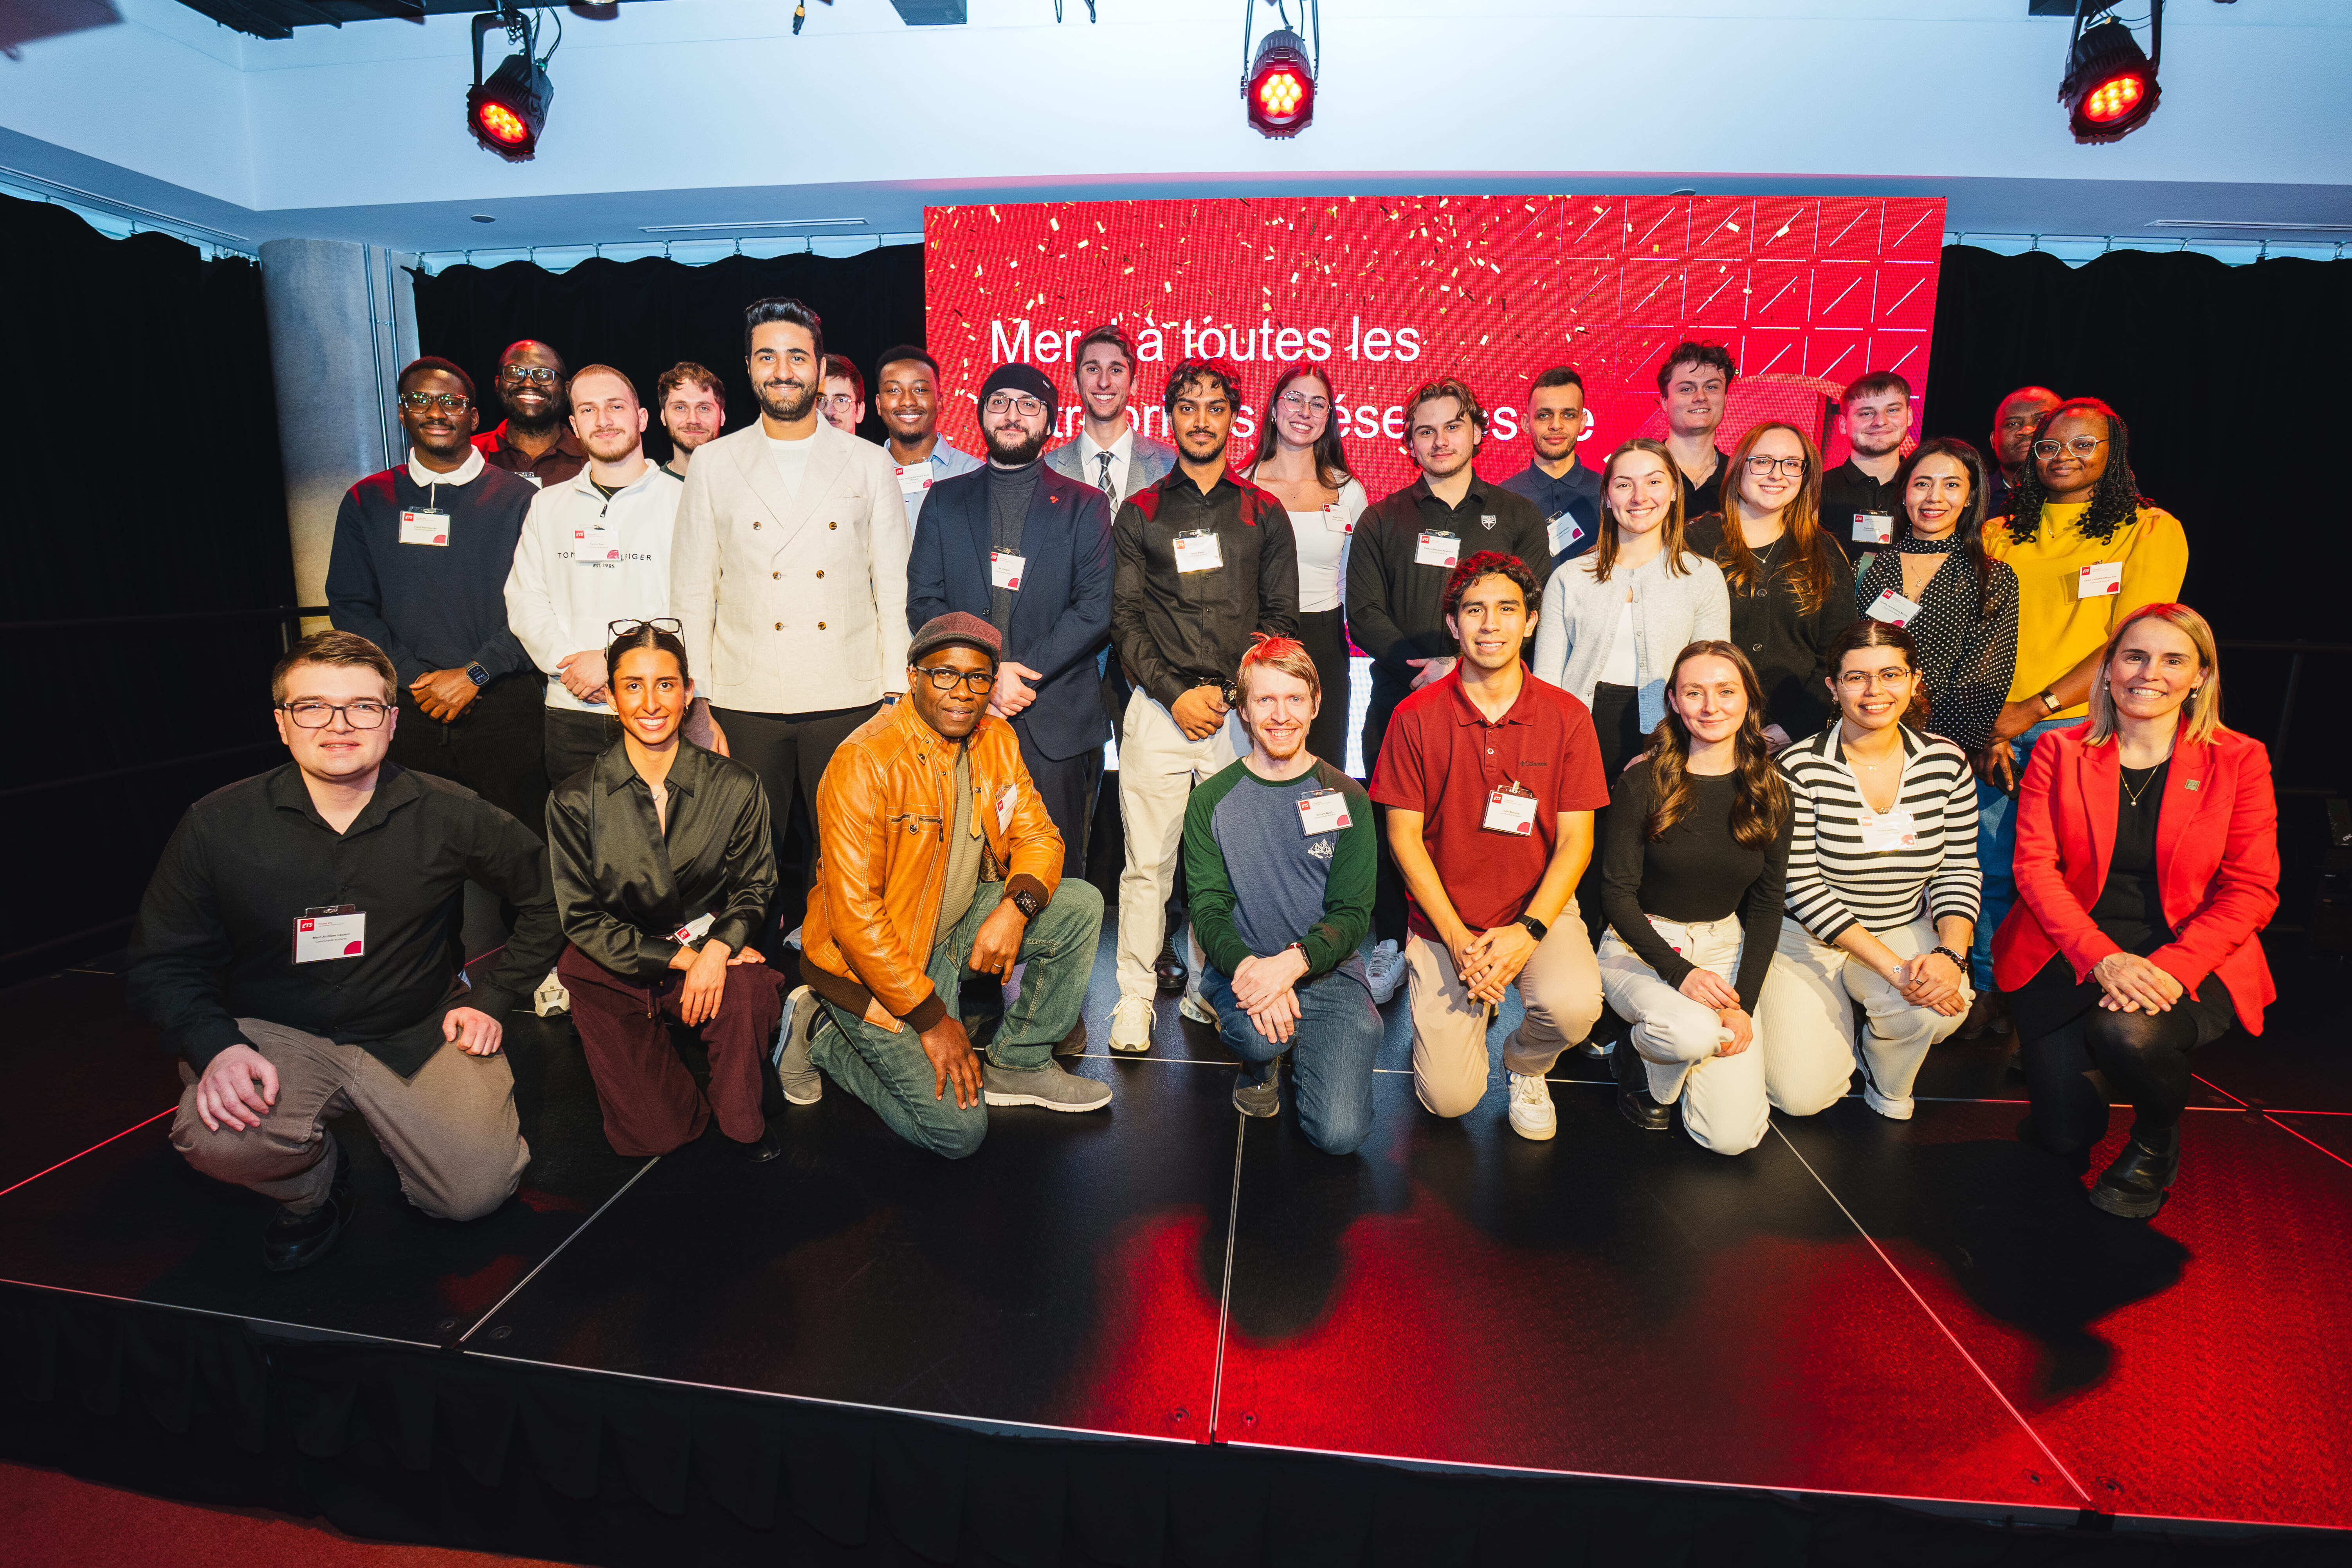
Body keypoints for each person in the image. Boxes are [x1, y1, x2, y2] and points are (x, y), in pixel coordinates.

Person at [126, 631, 561, 1270]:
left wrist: (496, 997)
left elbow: (547, 896)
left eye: (361, 706)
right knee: (215, 1137)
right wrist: (215, 1046)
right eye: (312, 707)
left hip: (418, 1028)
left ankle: (414, 1139)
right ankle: (312, 1188)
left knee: (473, 1195)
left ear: (390, 720)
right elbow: (161, 960)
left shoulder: (450, 813)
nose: (338, 724)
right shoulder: (217, 823)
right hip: (280, 1032)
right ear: (282, 722)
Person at [779, 613, 1112, 1155]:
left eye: (978, 678)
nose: (962, 692)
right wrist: (932, 1019)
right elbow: (856, 921)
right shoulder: (865, 760)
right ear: (913, 677)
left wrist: (1015, 907)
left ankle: (1019, 1062)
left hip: (951, 930)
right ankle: (820, 1034)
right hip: (870, 968)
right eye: (944, 674)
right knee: (957, 1132)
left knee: (1079, 902)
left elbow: (1041, 838)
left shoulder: (995, 738)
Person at [1996, 604, 2277, 1219]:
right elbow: (2035, 871)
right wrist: (2103, 961)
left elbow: (2252, 886)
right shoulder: (2058, 750)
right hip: (2069, 946)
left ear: (2200, 676)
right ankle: (2079, 1095)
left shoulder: (2239, 758)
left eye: (2173, 660)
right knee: (2065, 1135)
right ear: (2110, 668)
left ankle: (2154, 1138)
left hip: (2189, 948)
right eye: (2134, 656)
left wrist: (2174, 969)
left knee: (2127, 1030)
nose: (2150, 673)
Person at [670, 296, 913, 938]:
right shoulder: (715, 462)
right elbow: (693, 591)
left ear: (819, 366)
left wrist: (895, 694)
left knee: (850, 858)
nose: (783, 370)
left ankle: (832, 990)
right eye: (768, 357)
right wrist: (697, 704)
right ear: (749, 368)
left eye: (797, 357)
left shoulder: (865, 461)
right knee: (745, 860)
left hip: (850, 692)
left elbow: (893, 583)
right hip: (745, 696)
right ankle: (750, 987)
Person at [1371, 553, 1609, 1141]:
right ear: (1453, 624)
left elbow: (1577, 841)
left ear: (1530, 622)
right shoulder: (1414, 714)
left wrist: (1526, 932)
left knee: (1576, 1007)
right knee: (1450, 1100)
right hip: (1443, 921)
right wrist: (1456, 939)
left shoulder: (1568, 716)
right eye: (1474, 610)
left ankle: (1525, 1063)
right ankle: (1475, 998)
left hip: (1535, 912)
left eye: (1507, 609)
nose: (1490, 624)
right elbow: (1403, 835)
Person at [1968, 400, 2188, 1031]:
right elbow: (1977, 635)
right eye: (2047, 446)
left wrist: (2032, 709)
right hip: (1999, 728)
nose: (2062, 456)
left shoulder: (2147, 531)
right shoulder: (1997, 533)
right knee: (1988, 867)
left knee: (2065, 878)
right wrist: (1992, 719)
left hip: (2082, 729)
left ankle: (2050, 1001)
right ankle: (1990, 990)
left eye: (2081, 445)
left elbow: (2132, 642)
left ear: (2110, 454)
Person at [1106, 357, 1299, 1053]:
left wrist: (1225, 696)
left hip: (1237, 717)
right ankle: (1131, 997)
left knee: (1220, 867)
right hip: (1157, 711)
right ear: (1169, 417)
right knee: (1146, 866)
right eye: (1187, 407)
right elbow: (1123, 621)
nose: (1200, 420)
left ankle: (1202, 990)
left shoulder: (1263, 513)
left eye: (1214, 407)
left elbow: (1280, 619)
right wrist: (1174, 694)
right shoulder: (1141, 512)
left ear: (1232, 418)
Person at [1346, 377, 1552, 1000]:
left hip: (1494, 705)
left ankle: (1486, 935)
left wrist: (1460, 664)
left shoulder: (1515, 515)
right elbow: (1364, 614)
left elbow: (1532, 603)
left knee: (1482, 819)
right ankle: (1389, 941)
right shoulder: (1383, 517)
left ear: (1479, 432)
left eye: (1452, 425)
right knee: (1393, 823)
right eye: (1425, 429)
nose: (1439, 440)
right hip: (1400, 703)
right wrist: (1433, 664)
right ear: (1409, 442)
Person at [547, 622, 783, 1161]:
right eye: (632, 685)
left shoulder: (736, 785)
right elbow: (582, 918)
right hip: (616, 965)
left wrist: (718, 949)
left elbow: (754, 885)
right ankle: (660, 1058)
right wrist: (685, 959)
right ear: (610, 694)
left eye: (666, 685)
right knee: (657, 1136)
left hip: (709, 944)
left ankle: (740, 1107)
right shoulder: (573, 800)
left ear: (689, 692)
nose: (650, 702)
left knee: (747, 990)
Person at [1758, 621, 1978, 1123]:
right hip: (1806, 940)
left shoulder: (1946, 762)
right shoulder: (1797, 768)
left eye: (1891, 674)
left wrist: (1949, 955)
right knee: (1800, 1097)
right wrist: (1896, 971)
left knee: (1941, 1002)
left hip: (1901, 924)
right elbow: (1802, 887)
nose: (1875, 691)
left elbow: (1959, 869)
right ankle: (1852, 1021)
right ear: (1833, 687)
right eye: (1856, 677)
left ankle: (1887, 1072)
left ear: (1915, 680)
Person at [908, 362, 1115, 876]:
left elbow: (1094, 608)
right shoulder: (944, 500)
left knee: (1054, 874)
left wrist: (1014, 675)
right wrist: (986, 675)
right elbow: (923, 600)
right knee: (955, 872)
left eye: (1029, 404)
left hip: (1055, 720)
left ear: (1049, 420)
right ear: (980, 415)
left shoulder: (1085, 505)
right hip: (961, 711)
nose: (1013, 415)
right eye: (1000, 402)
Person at [326, 356, 544, 832]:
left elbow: (543, 604)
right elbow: (351, 606)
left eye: (451, 401)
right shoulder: (367, 500)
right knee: (418, 855)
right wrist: (416, 680)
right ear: (402, 413)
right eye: (420, 400)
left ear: (474, 416)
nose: (436, 411)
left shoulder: (523, 501)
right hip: (408, 710)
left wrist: (474, 674)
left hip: (504, 706)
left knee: (519, 853)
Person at [1184, 636, 1380, 1150]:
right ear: (1244, 711)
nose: (1281, 715)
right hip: (1243, 968)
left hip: (1328, 969)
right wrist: (1250, 968)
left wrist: (1292, 964)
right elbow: (1206, 907)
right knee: (1257, 1034)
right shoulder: (1210, 799)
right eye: (1265, 700)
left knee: (1340, 1136)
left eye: (1295, 699)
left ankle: (1307, 1043)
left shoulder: (1347, 797)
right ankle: (1261, 1063)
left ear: (1316, 703)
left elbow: (1353, 912)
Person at [1598, 642, 1792, 1154]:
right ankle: (1640, 1050)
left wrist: (1742, 1004)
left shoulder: (1771, 788)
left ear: (1749, 699)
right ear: (1674, 701)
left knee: (1729, 1139)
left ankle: (1668, 1055)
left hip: (1724, 945)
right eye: (1694, 692)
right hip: (1640, 944)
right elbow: (1616, 894)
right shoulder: (1642, 781)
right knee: (1687, 1032)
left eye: (1726, 691)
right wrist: (1679, 973)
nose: (1711, 706)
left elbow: (1769, 904)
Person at [504, 364, 698, 790]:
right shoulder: (547, 506)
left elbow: (696, 604)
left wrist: (612, 663)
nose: (604, 420)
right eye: (588, 410)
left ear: (642, 418)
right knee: (583, 845)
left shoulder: (687, 500)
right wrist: (573, 667)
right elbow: (525, 600)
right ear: (574, 425)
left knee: (665, 841)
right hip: (572, 709)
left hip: (657, 706)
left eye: (615, 406)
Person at [1531, 438, 1730, 782]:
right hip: (1576, 739)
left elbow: (1710, 680)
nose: (1639, 497)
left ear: (1673, 492)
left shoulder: (1703, 576)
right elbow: (1546, 684)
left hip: (1670, 739)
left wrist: (1672, 746)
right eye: (1624, 485)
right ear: (1607, 497)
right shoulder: (1568, 578)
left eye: (1654, 482)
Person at [1685, 422, 1857, 745]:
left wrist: (1787, 732)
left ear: (1806, 477)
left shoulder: (1824, 552)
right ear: (1739, 468)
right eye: (1763, 461)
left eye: (1792, 464)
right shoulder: (1692, 542)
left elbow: (1839, 656)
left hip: (1795, 744)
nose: (1777, 475)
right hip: (1699, 737)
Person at [1237, 361, 1370, 771]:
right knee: (1259, 765)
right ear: (1274, 409)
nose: (1304, 412)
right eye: (1294, 398)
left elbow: (1354, 581)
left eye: (1318, 403)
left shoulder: (1349, 491)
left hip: (1325, 643)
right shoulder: (1241, 485)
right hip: (1257, 641)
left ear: (1329, 418)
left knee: (1324, 767)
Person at [1853, 437, 2019, 755]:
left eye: (1951, 485)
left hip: (1942, 746)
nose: (1934, 498)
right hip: (1862, 736)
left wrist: (1932, 748)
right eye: (1922, 484)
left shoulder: (1991, 578)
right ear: (1903, 493)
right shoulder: (1869, 568)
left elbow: (1984, 681)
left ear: (1970, 497)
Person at [1046, 324, 1177, 511]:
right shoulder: (1048, 469)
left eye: (1116, 370)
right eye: (1093, 369)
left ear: (1134, 384)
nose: (1104, 382)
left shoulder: (1170, 463)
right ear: (1076, 383)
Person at [1498, 365, 1604, 570]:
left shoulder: (1608, 494)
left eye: (1568, 415)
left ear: (1583, 422)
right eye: (1544, 415)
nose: (1556, 425)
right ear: (1526, 423)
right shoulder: (1502, 499)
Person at [875, 345, 982, 529]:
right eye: (894, 391)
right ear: (878, 404)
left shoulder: (975, 475)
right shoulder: (861, 476)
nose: (908, 401)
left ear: (940, 402)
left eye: (920, 390)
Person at [1817, 373, 1915, 563]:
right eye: (1866, 413)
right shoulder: (1816, 490)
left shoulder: (1926, 492)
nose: (1880, 421)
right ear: (1843, 424)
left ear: (1909, 416)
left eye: (1893, 410)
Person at [474, 339, 586, 488]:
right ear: (498, 384)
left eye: (544, 375)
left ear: (567, 390)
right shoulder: (469, 454)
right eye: (514, 372)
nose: (528, 383)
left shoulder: (593, 459)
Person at [1654, 341, 1736, 519]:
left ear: (1725, 398)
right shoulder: (1639, 473)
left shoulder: (1741, 479)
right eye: (1687, 389)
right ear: (1665, 402)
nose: (1701, 397)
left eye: (1712, 387)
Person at [1984, 385, 2061, 523]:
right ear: (1993, 440)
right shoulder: (1970, 497)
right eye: (2013, 424)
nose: (2027, 430)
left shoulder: (2089, 497)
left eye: (2041, 421)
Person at [656, 361, 726, 478]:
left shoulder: (747, 485)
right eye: (680, 408)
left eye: (704, 408)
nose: (693, 420)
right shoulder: (648, 493)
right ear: (663, 416)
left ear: (722, 417)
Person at [818, 354, 867, 436]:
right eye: (820, 400)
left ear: (860, 412)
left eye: (841, 400)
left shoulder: (874, 449)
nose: (830, 412)